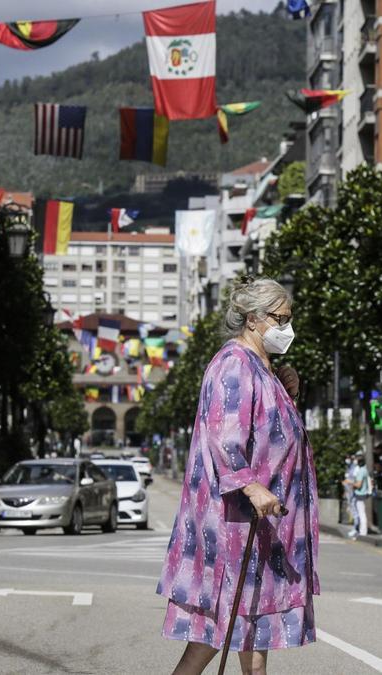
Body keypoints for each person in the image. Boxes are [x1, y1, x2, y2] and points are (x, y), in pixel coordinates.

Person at [158, 276, 319, 675]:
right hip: (236, 521)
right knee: (234, 627)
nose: (288, 329)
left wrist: (289, 392)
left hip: (261, 522)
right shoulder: (234, 364)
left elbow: (273, 431)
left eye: (289, 318)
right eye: (280, 319)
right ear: (252, 319)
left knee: (244, 632)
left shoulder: (264, 368)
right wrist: (251, 486)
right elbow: (224, 436)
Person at [351, 457, 372, 538]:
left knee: (361, 513)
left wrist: (351, 483)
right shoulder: (365, 470)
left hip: (360, 495)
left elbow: (358, 485)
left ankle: (363, 531)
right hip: (363, 494)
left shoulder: (361, 471)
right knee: (362, 513)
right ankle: (362, 531)